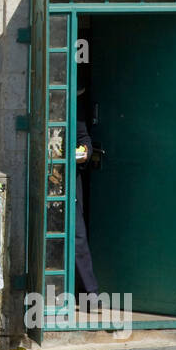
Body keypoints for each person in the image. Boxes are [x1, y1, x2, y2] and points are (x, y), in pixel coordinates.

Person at [74, 111, 101, 296]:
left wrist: (85, 152)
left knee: (77, 237)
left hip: (66, 186)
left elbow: (85, 141)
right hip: (44, 183)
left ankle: (89, 293)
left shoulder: (74, 115)